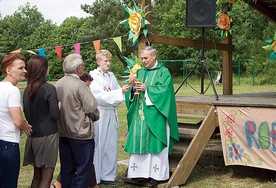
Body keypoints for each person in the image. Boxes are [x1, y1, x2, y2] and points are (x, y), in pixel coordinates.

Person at [124, 46, 179, 186]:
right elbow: (132, 92)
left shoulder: (163, 72)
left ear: (154, 56)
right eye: (142, 58)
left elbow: (165, 91)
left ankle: (157, 175)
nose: (143, 61)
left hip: (156, 115)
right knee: (139, 140)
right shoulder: (140, 72)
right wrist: (131, 88)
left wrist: (147, 89)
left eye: (146, 58)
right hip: (140, 113)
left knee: (155, 143)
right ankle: (139, 174)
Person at [55, 53, 100, 188]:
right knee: (83, 170)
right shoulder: (80, 85)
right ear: (78, 68)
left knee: (67, 168)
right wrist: (94, 117)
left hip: (63, 131)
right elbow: (92, 107)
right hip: (80, 133)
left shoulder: (58, 84)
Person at [89, 49, 130, 186]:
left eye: (109, 61)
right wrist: (115, 93)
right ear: (98, 61)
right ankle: (97, 176)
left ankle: (108, 176)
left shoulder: (111, 76)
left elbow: (118, 96)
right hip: (100, 113)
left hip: (111, 112)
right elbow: (98, 96)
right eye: (105, 61)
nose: (108, 63)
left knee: (111, 145)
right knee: (99, 144)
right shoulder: (93, 76)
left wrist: (115, 93)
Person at [22, 55, 60, 188]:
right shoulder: (49, 89)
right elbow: (55, 115)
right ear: (42, 69)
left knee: (37, 176)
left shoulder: (27, 90)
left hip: (33, 137)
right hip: (47, 137)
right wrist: (59, 106)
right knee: (46, 177)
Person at [0, 53, 32, 188]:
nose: (24, 71)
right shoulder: (12, 90)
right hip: (8, 144)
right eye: (20, 68)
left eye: (24, 68)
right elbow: (18, 120)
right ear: (8, 70)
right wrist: (25, 125)